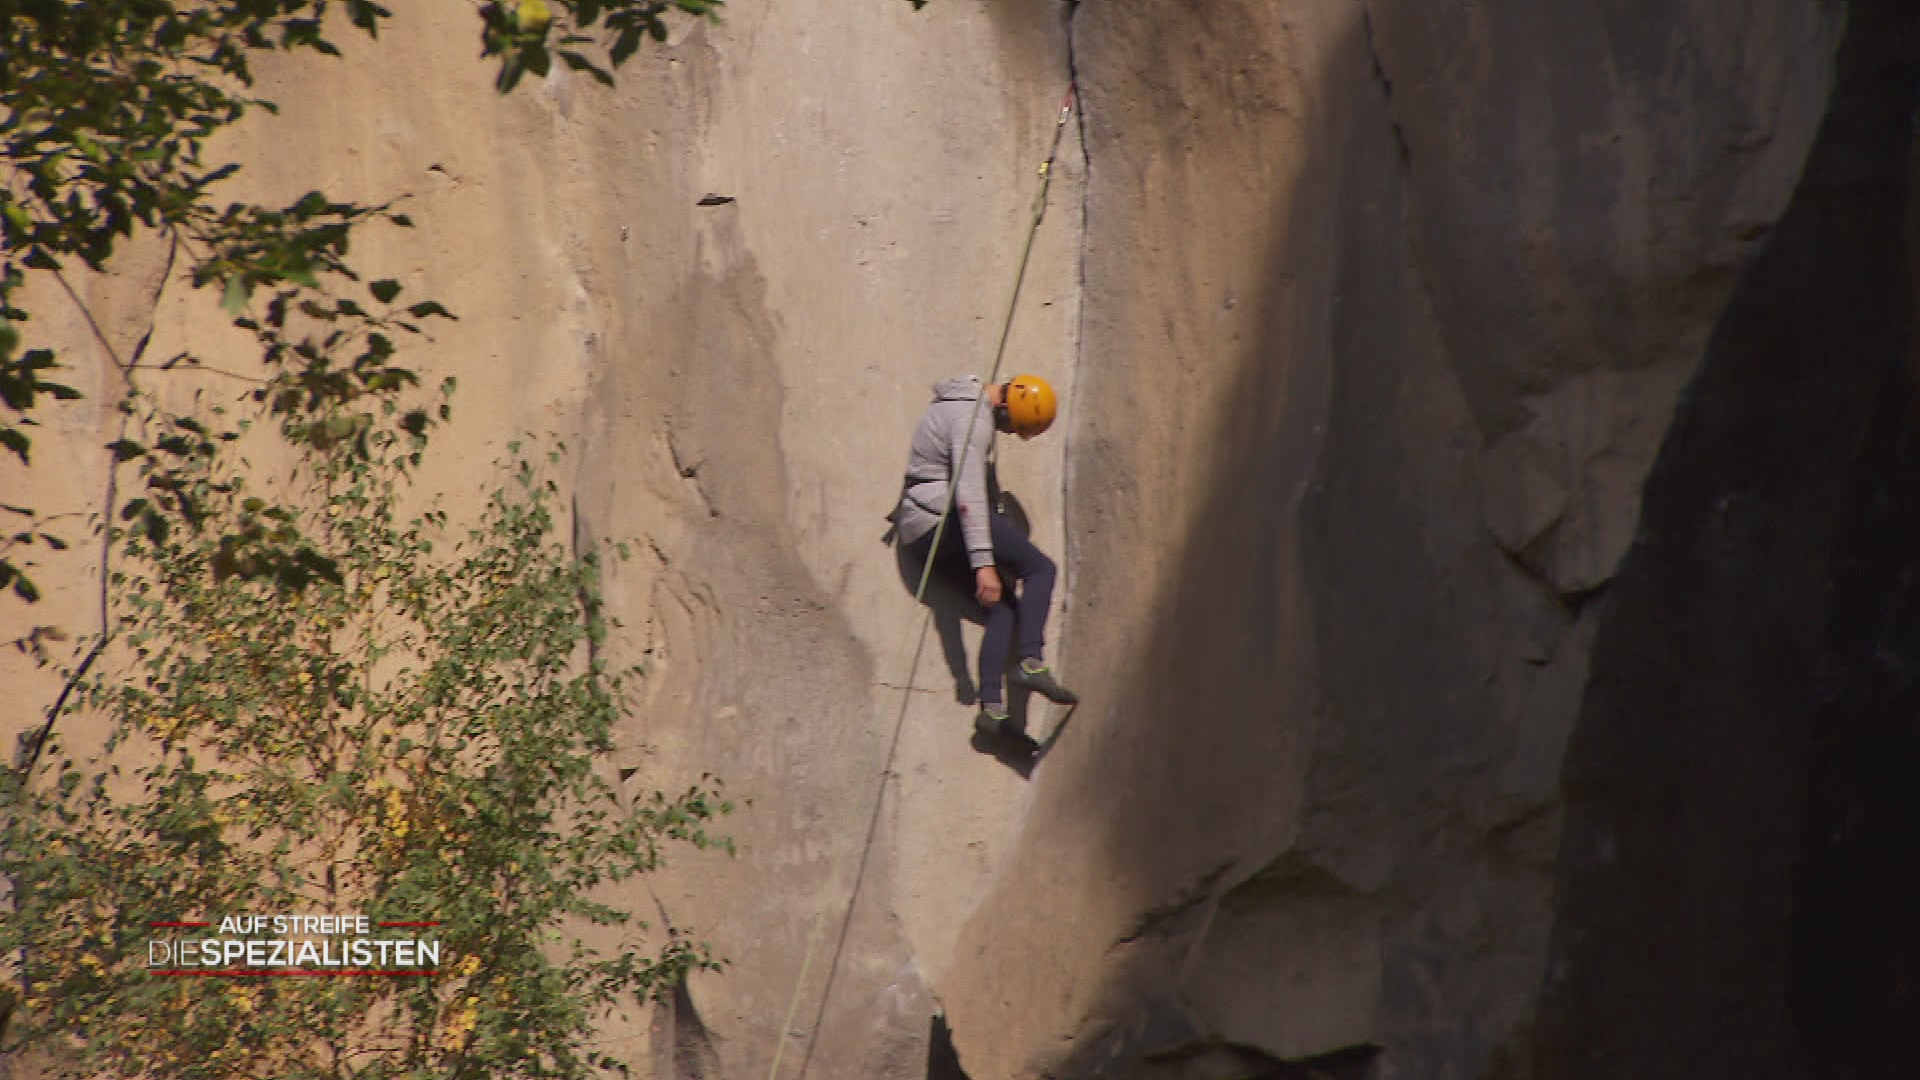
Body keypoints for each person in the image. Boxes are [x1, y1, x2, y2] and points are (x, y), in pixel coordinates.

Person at [896, 373, 1079, 740]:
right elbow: (968, 495)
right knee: (1040, 569)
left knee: (1004, 609)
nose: (1010, 433)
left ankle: (992, 711)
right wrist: (984, 565)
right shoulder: (972, 420)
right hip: (940, 519)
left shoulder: (965, 411)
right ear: (1006, 407)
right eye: (1014, 427)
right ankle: (1030, 661)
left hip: (921, 530)